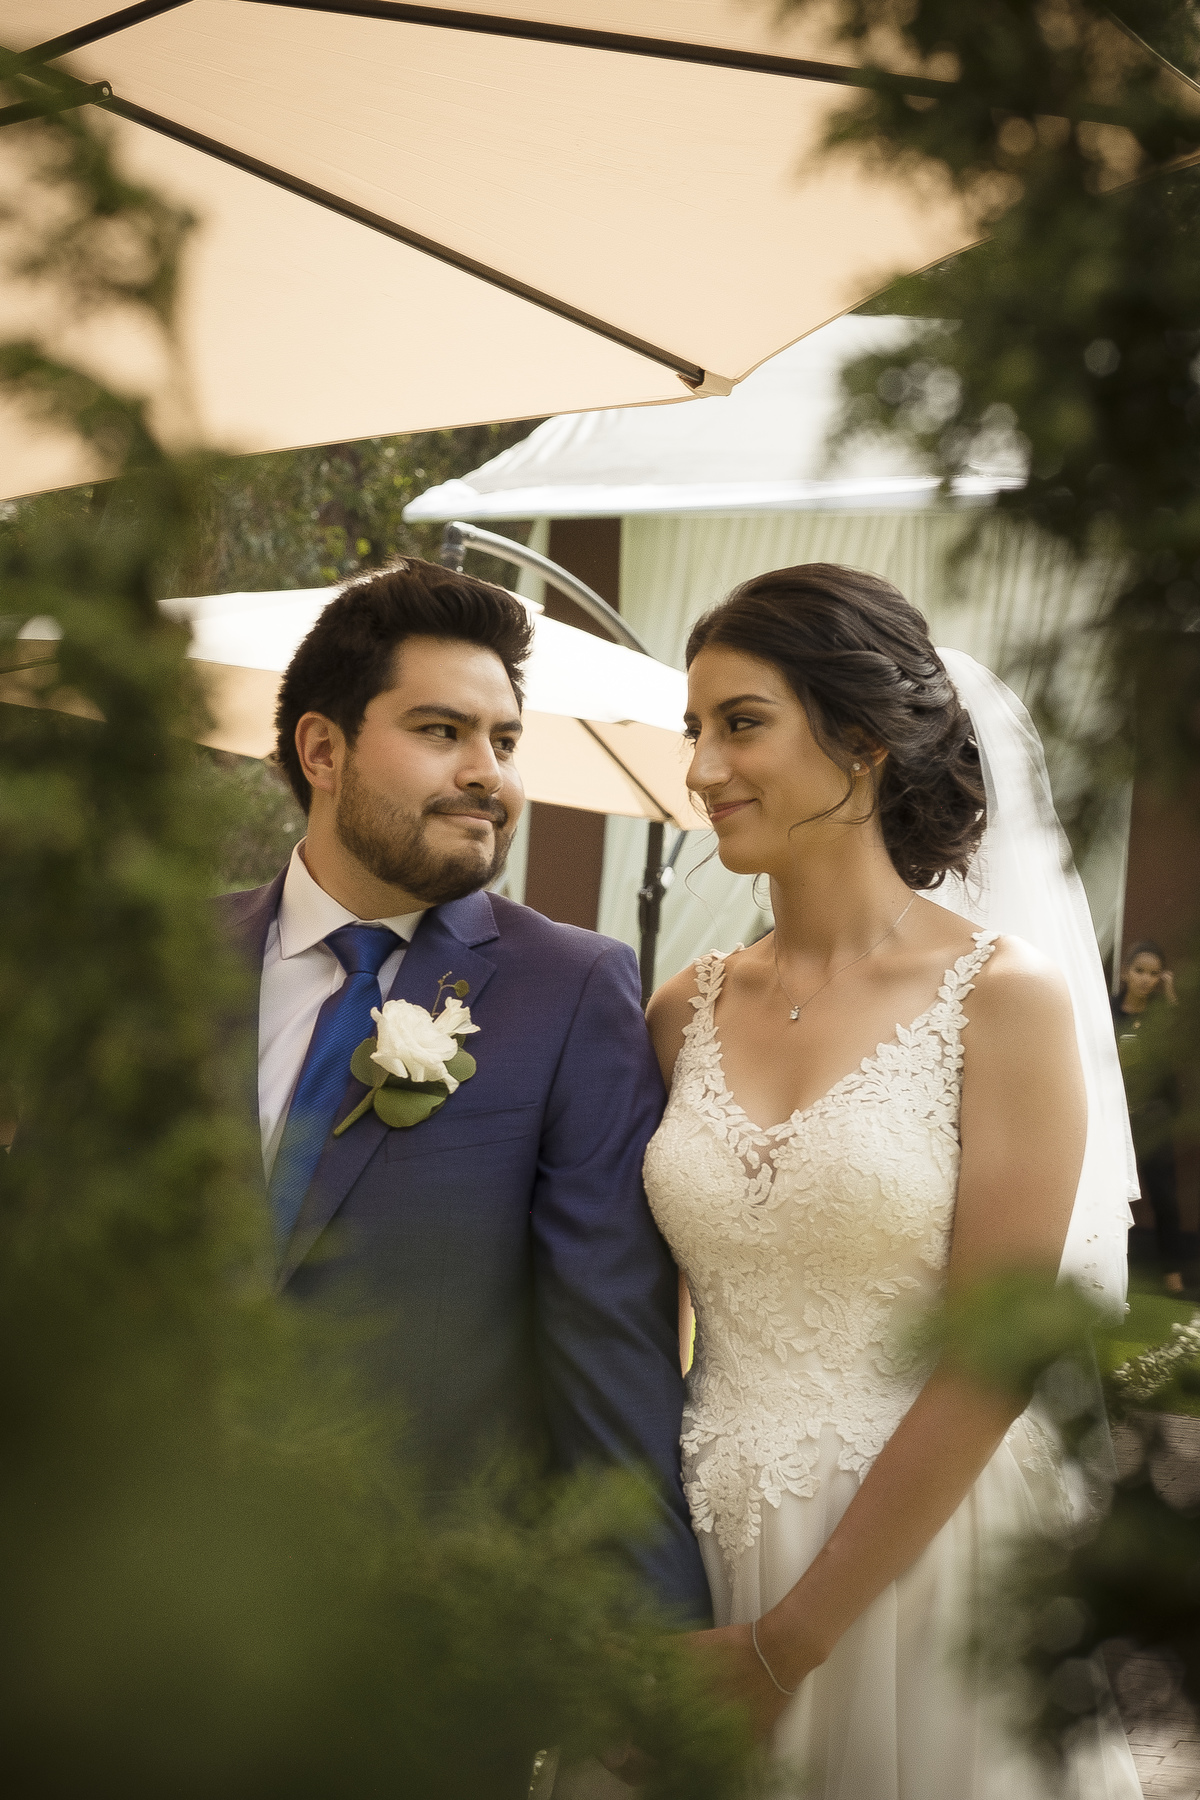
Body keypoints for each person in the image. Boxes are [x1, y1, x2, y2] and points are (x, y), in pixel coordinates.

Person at [639, 565, 1140, 1797]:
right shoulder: (678, 1011)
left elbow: (994, 1352)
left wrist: (789, 1644)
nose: (701, 769)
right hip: (704, 1544)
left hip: (919, 1555)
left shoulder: (1002, 1001)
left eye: (740, 723)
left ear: (861, 741)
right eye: (693, 730)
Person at [217, 560, 709, 1631]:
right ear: (322, 750)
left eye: (505, 741)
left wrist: (655, 1652)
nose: (488, 772)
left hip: (418, 1640)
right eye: (443, 731)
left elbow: (608, 1348)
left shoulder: (573, 990)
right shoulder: (160, 956)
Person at [1113, 940, 1186, 1295]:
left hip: (1153, 1118)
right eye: (1140, 971)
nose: (1146, 979)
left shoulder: (1161, 1015)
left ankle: (1173, 1276)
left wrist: (1170, 998)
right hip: (1114, 1118)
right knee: (1111, 1195)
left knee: (1165, 1198)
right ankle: (1107, 1272)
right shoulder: (1108, 1010)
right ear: (1126, 972)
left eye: (1154, 974)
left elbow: (1179, 1048)